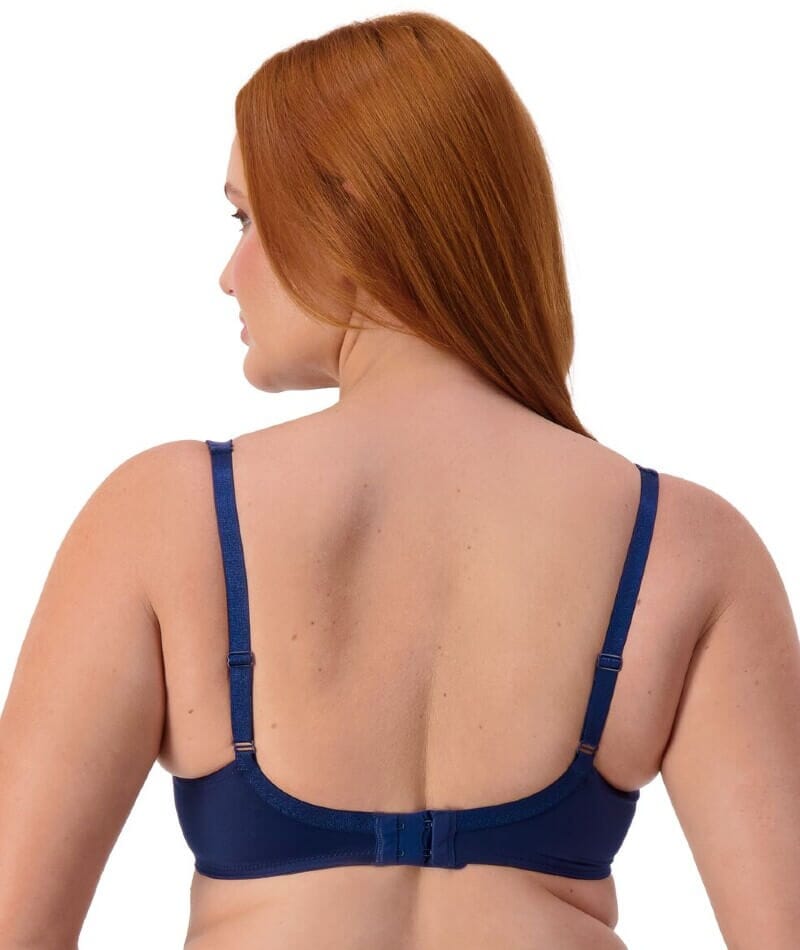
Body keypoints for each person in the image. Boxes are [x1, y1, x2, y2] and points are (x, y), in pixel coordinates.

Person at [1, 11, 798, 949]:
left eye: (247, 218)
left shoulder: (163, 518)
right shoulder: (687, 545)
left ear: (348, 214)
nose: (228, 274)